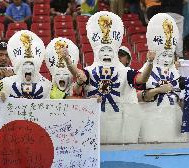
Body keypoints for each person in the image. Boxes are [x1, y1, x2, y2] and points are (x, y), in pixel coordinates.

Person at [64, 11, 155, 144]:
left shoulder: (125, 72)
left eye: (109, 50)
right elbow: (78, 74)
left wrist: (150, 63)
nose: (106, 53)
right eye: (103, 50)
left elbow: (142, 79)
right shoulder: (89, 71)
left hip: (119, 123)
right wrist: (67, 60)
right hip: (95, 123)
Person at [137, 13, 187, 143]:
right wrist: (158, 90)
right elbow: (137, 96)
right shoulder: (145, 71)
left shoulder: (176, 73)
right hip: (151, 121)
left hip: (173, 121)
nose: (166, 59)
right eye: (163, 55)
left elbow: (181, 99)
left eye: (169, 55)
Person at [0, 30, 51, 100]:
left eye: (31, 64)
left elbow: (63, 100)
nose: (28, 67)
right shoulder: (4, 82)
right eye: (25, 64)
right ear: (20, 66)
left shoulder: (47, 84)